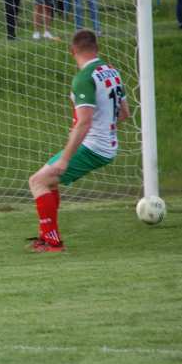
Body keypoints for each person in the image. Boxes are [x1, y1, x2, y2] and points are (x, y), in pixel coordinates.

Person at [27, 30, 130, 252]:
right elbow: (124, 114)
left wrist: (65, 159)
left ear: (72, 51)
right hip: (106, 143)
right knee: (47, 181)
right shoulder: (112, 71)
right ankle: (46, 238)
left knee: (38, 182)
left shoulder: (84, 78)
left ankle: (53, 243)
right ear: (97, 48)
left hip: (93, 146)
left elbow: (84, 122)